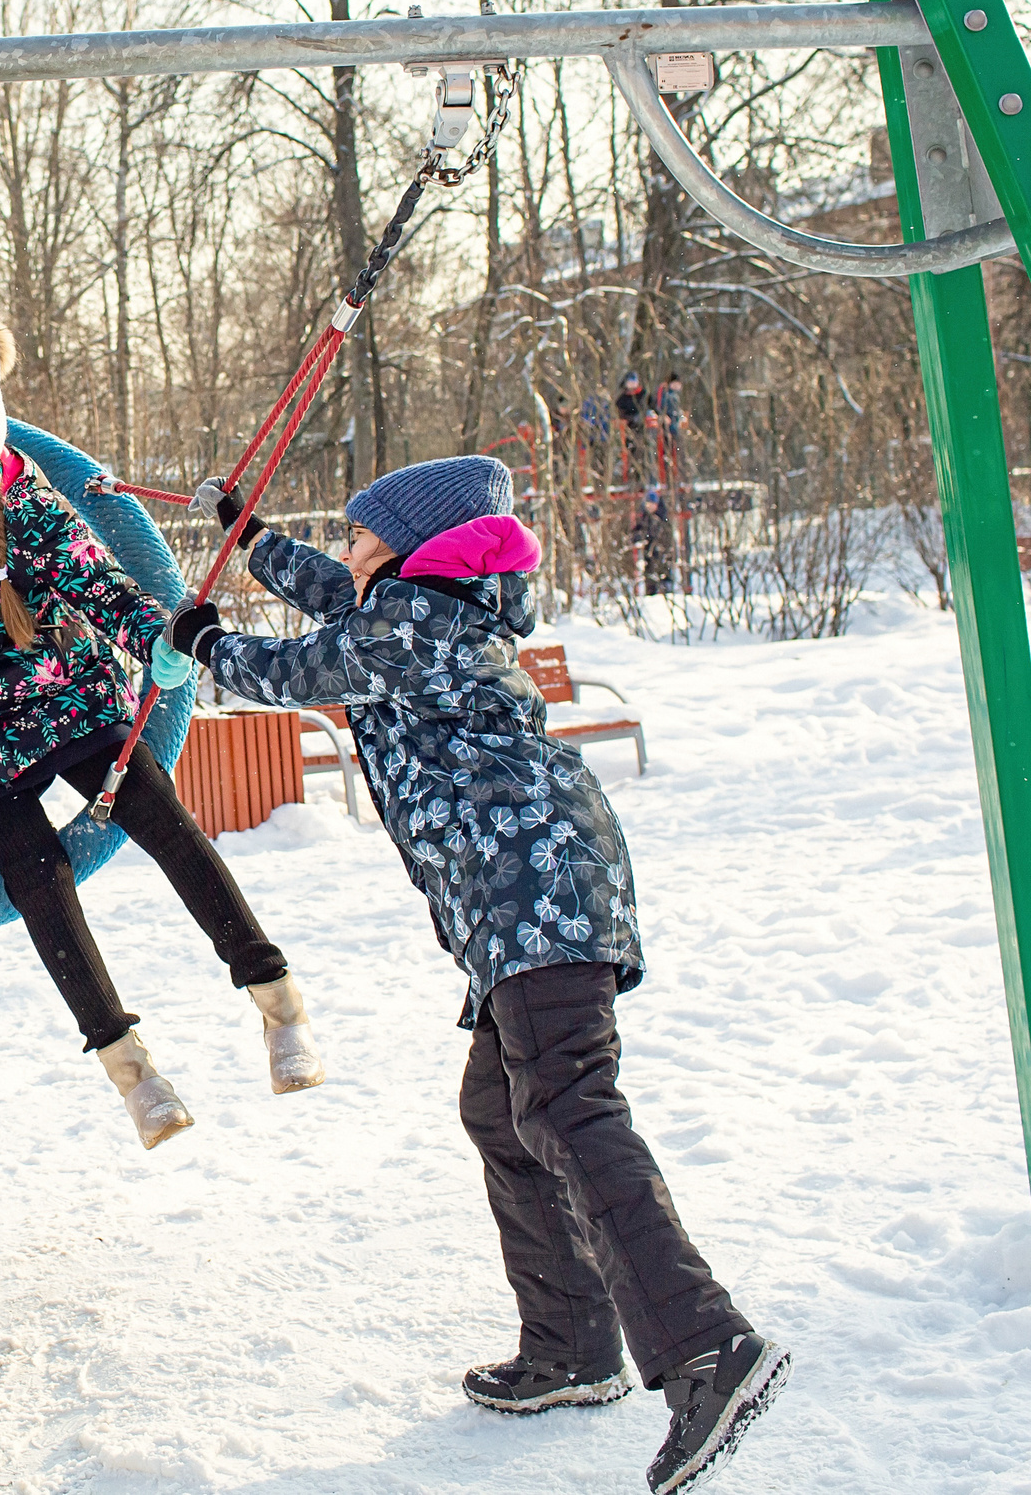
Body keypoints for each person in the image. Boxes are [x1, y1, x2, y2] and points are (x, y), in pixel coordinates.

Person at [167, 455, 788, 1495]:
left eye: (365, 539)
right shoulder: (426, 607)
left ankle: (703, 1348)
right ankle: (570, 1348)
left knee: (566, 1107)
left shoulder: (408, 627)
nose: (350, 555)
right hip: (533, 893)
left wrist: (200, 642)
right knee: (505, 1111)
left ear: (411, 552)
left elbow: (293, 672)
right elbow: (335, 596)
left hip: (530, 895)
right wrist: (251, 533)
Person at [0, 316, 322, 1151]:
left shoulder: (23, 495)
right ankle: (129, 1064)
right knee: (35, 876)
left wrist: (157, 633)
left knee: (160, 816)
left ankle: (275, 995)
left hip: (61, 690)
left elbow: (91, 572)